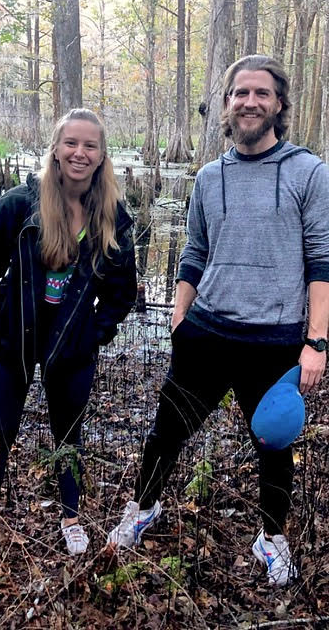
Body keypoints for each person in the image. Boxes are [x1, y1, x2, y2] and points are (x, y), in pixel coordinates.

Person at [107, 55, 329, 588]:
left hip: (274, 342)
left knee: (274, 445)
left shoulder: (310, 172)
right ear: (225, 105)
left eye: (261, 93)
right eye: (239, 93)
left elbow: (321, 260)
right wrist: (181, 312)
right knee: (167, 432)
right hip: (206, 334)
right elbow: (194, 250)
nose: (249, 102)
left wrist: (317, 342)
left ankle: (270, 536)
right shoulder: (208, 177)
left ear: (279, 104)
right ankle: (143, 507)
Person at [0, 108, 137, 576]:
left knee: (69, 435)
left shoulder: (113, 214)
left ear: (101, 155)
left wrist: (95, 335)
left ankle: (71, 516)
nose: (80, 153)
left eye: (90, 145)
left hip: (72, 347)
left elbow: (122, 292)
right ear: (56, 148)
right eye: (71, 143)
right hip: (9, 344)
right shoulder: (20, 205)